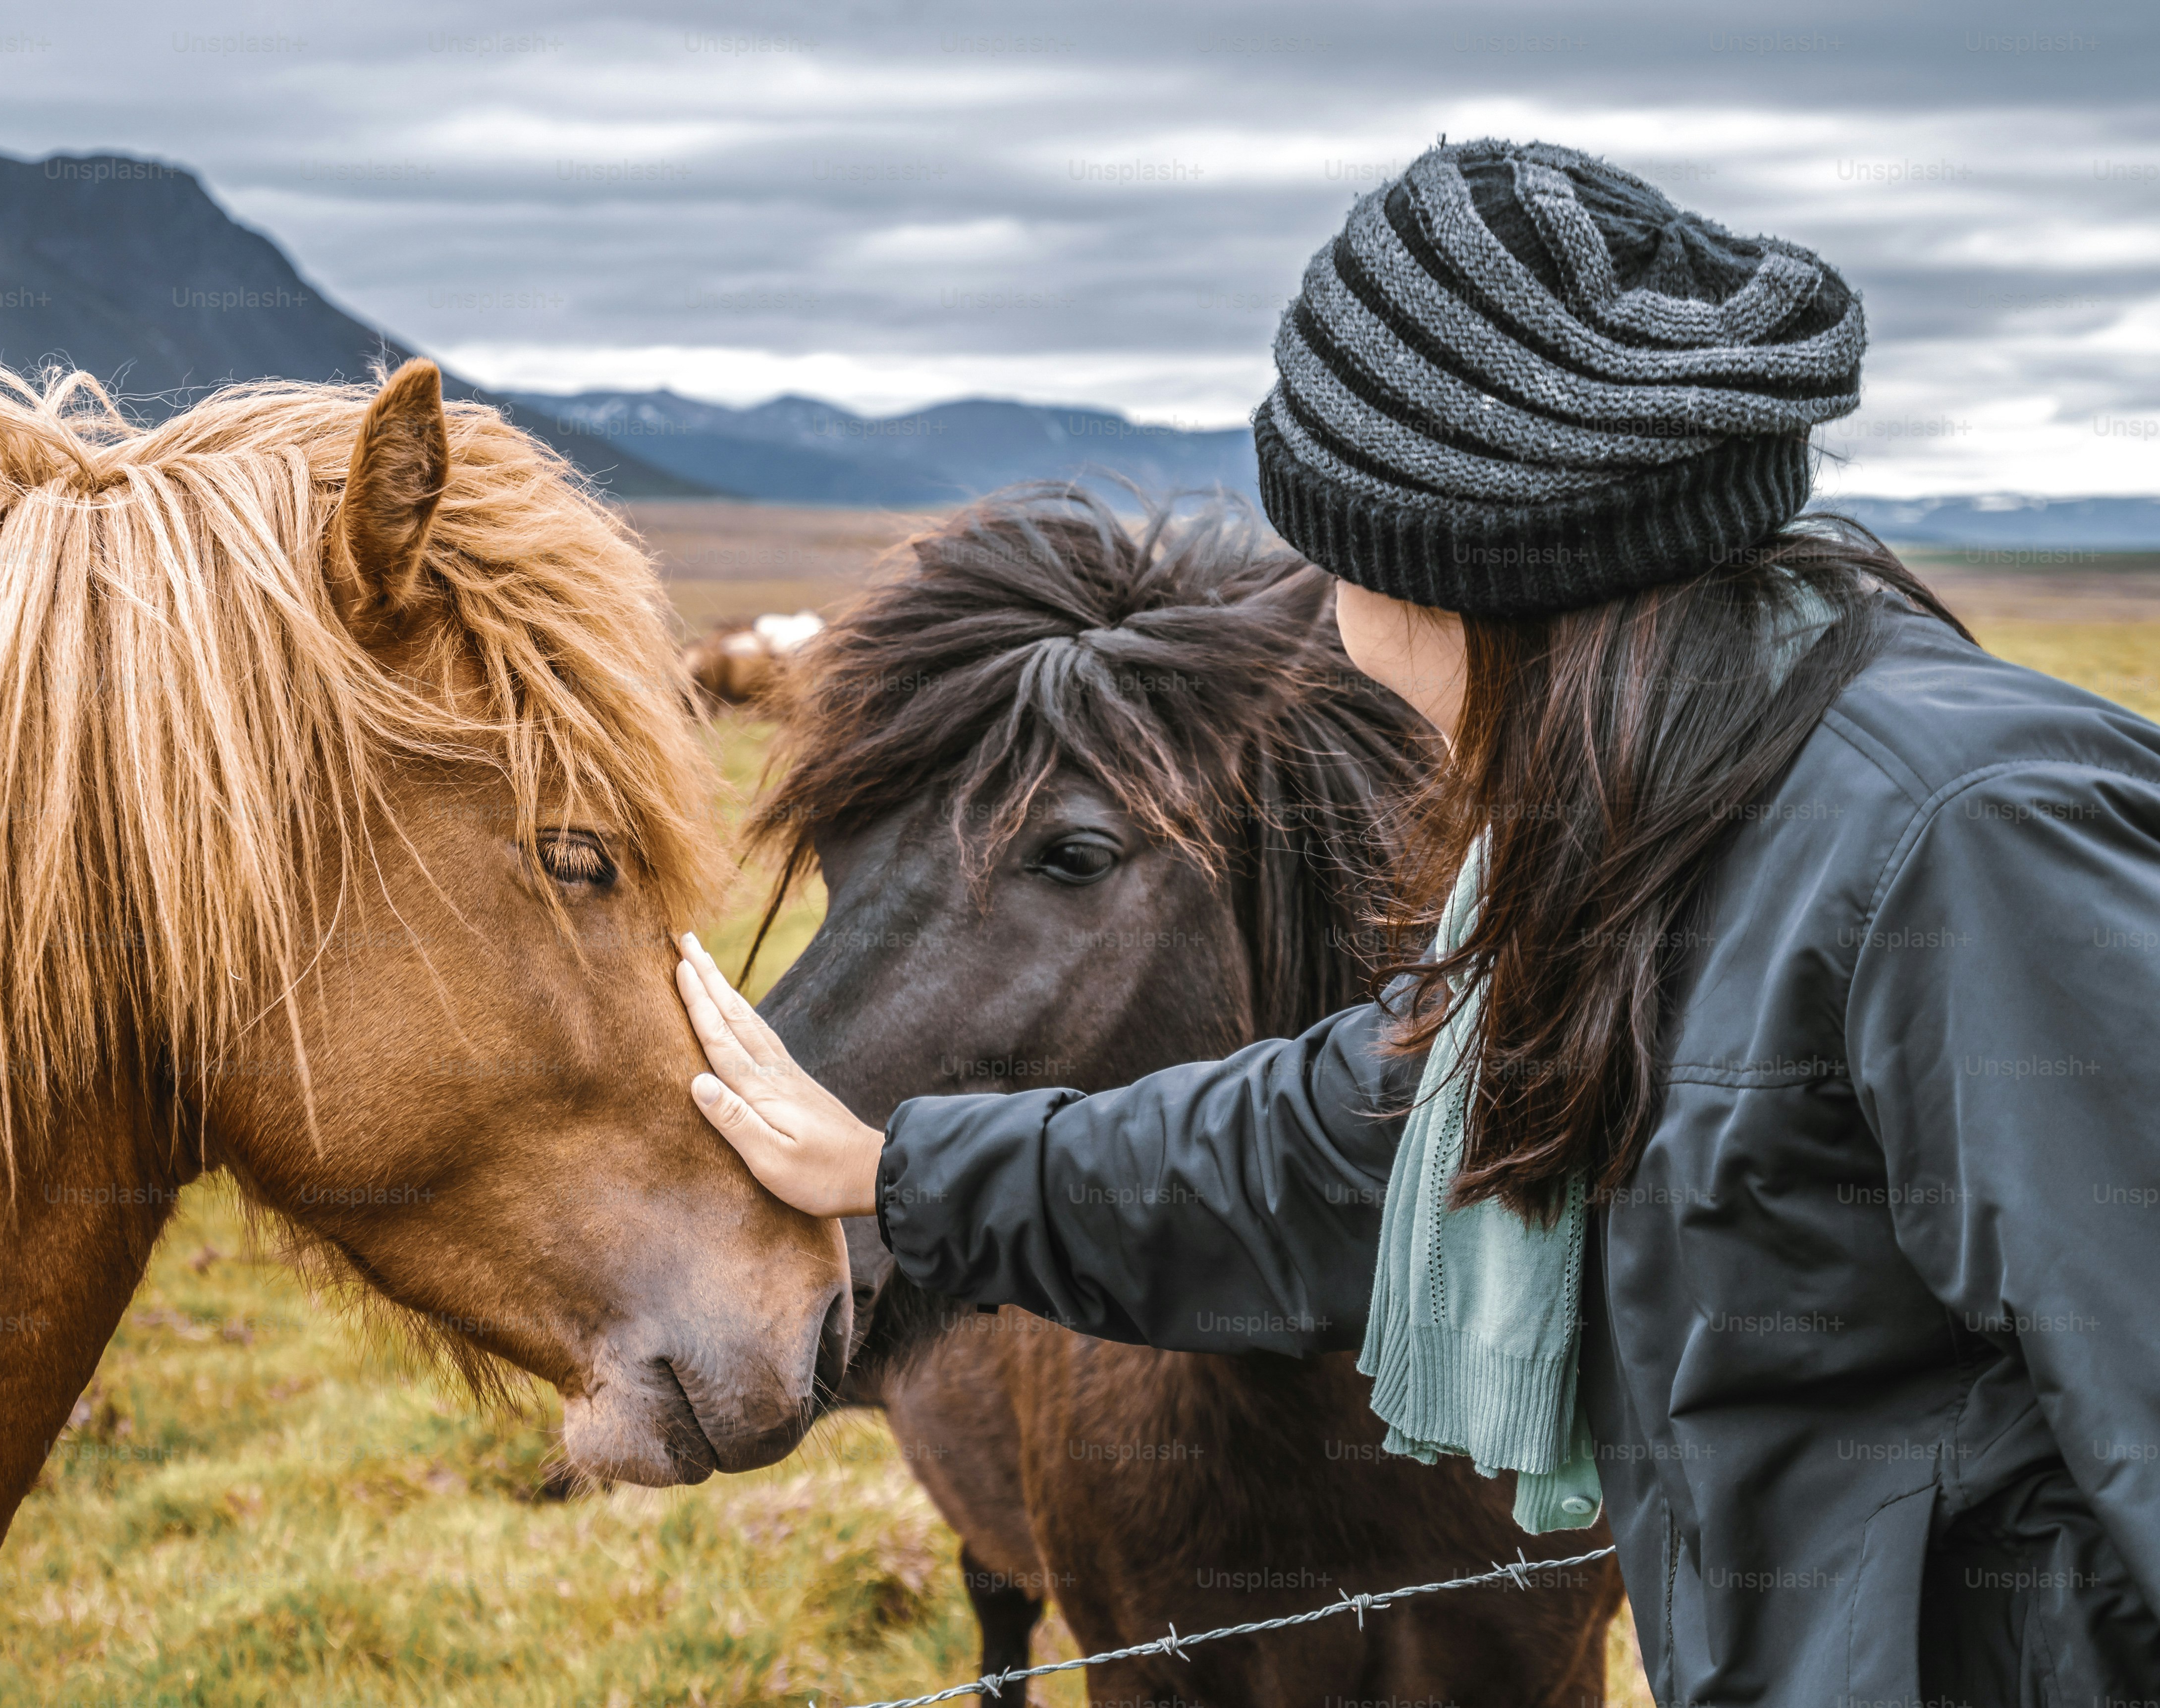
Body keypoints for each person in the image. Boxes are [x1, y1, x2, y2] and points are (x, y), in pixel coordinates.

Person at [671, 139, 2160, 1706]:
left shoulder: (1964, 840)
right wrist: (901, 1167)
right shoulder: (1670, 828)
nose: (1324, 610)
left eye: (1336, 555)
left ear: (1454, 579)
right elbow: (1365, 1147)